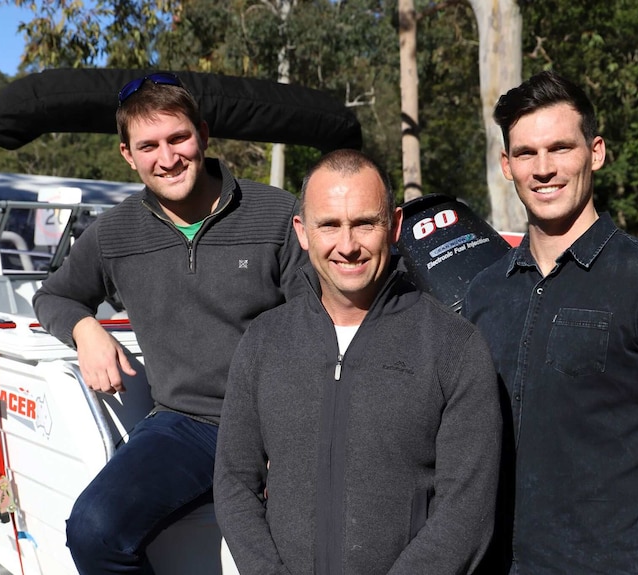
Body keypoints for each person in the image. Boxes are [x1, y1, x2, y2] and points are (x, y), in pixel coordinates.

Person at [33, 72, 308, 574]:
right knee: (93, 529)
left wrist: (293, 432)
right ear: (127, 155)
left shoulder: (276, 213)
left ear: (202, 134)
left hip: (280, 421)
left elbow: (316, 324)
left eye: (178, 137)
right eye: (148, 145)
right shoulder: (113, 232)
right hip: (186, 426)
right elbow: (53, 295)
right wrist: (84, 329)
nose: (167, 157)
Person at [214, 148, 502, 575]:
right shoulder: (264, 341)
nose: (347, 246)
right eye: (329, 224)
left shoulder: (454, 347)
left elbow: (467, 511)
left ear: (395, 226)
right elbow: (234, 481)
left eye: (365, 223)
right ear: (302, 231)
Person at [463, 70, 638, 574]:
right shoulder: (484, 291)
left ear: (596, 152)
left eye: (561, 148)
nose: (543, 169)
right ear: (507, 165)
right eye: (525, 153)